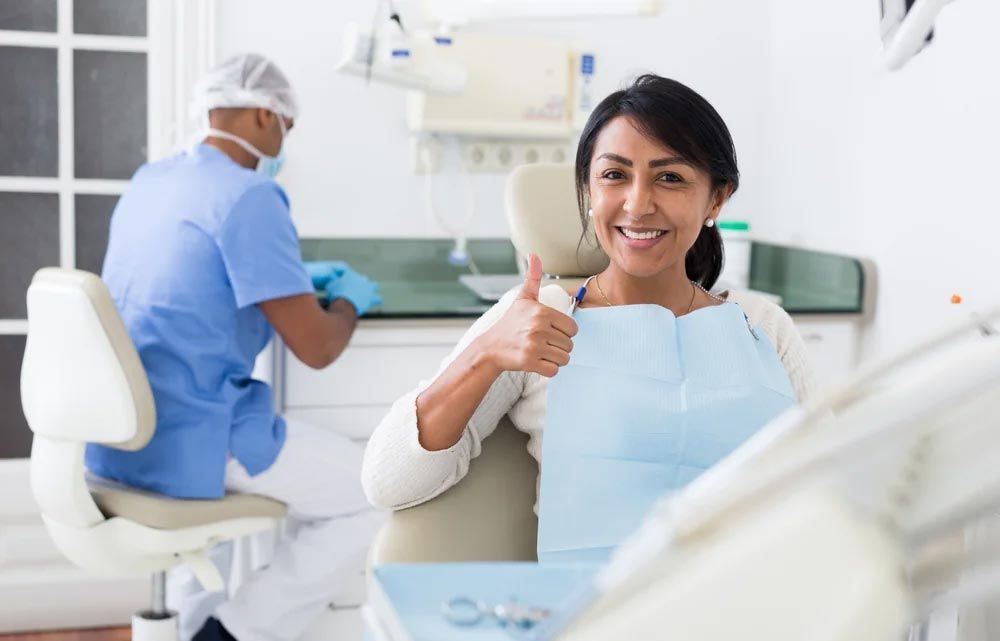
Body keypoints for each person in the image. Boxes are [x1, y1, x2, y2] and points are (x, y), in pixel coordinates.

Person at [361, 74, 817, 559]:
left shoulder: (761, 326)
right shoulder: (539, 318)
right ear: (587, 189)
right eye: (614, 175)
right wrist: (485, 355)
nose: (638, 204)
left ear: (717, 198)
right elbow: (388, 483)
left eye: (670, 177)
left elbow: (833, 483)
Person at [85, 53, 383, 641]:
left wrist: (290, 277)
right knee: (371, 493)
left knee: (204, 550)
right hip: (192, 434)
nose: (283, 145)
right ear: (262, 116)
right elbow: (318, 347)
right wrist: (349, 300)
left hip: (118, 436)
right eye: (285, 128)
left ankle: (202, 629)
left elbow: (183, 280)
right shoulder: (250, 196)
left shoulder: (152, 181)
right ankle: (233, 633)